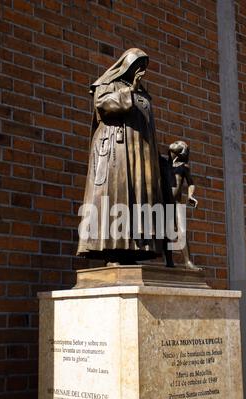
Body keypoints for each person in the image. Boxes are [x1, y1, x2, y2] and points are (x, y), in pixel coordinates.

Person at [77, 48, 164, 265]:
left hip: (140, 154)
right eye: (137, 65)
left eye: (144, 66)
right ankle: (113, 250)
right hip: (117, 151)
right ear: (126, 65)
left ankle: (133, 249)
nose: (141, 70)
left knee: (138, 199)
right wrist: (130, 91)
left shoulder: (144, 94)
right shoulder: (108, 85)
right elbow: (102, 106)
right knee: (116, 195)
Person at [160, 140, 201, 270]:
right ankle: (169, 261)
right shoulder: (163, 164)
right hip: (165, 203)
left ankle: (187, 262)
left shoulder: (183, 166)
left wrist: (190, 195)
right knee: (167, 233)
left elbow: (191, 183)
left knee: (182, 231)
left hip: (177, 203)